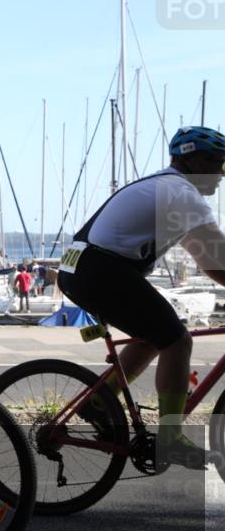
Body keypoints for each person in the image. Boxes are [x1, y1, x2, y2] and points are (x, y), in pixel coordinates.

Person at [58, 126, 225, 469]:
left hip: (82, 267)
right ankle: (171, 440)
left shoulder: (166, 187)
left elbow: (210, 261)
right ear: (194, 160)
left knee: (155, 337)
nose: (222, 174)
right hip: (99, 269)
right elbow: (218, 260)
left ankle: (100, 403)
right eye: (217, 163)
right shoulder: (182, 194)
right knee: (177, 341)